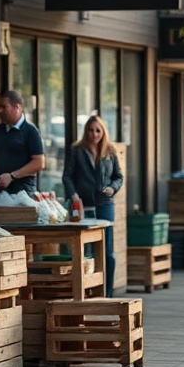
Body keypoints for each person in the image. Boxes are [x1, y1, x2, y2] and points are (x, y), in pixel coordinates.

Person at [62, 115, 123, 296]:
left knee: (107, 253)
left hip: (105, 205)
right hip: (83, 206)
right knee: (86, 253)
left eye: (98, 130)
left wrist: (112, 188)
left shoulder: (110, 151)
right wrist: (73, 195)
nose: (94, 133)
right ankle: (87, 293)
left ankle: (107, 293)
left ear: (103, 131)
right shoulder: (76, 151)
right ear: (86, 130)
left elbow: (118, 177)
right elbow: (67, 176)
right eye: (91, 129)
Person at [0, 90, 45, 195]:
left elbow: (39, 163)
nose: (0, 111)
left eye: (4, 107)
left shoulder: (31, 131)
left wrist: (12, 176)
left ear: (17, 107)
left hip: (24, 193)